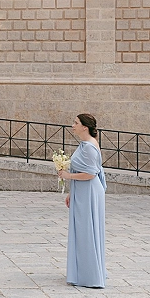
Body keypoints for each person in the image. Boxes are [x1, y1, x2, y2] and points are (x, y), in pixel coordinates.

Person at [57, 113, 107, 288]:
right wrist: (72, 192)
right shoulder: (85, 145)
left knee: (87, 230)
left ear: (85, 127)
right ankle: (83, 271)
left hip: (89, 192)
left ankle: (89, 275)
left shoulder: (89, 147)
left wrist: (67, 175)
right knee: (83, 230)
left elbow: (91, 173)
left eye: (76, 123)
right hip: (82, 191)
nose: (73, 125)